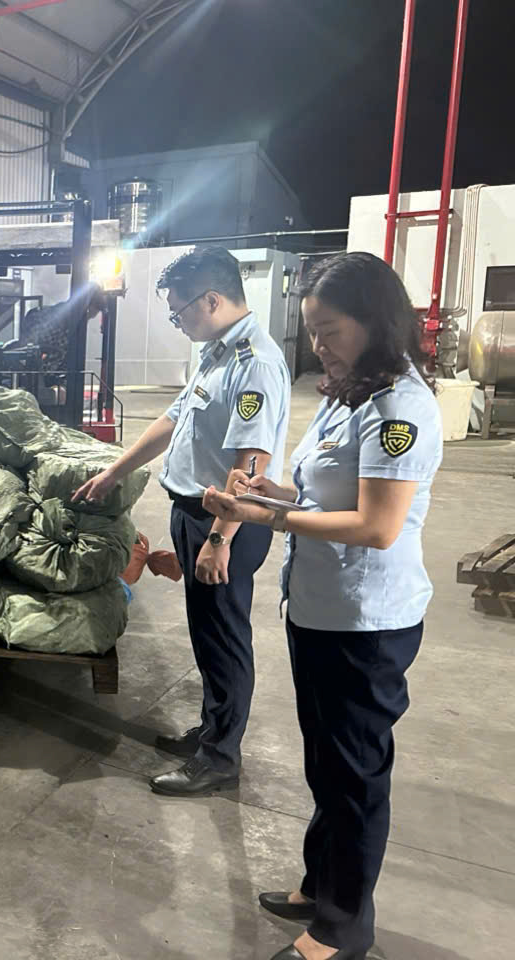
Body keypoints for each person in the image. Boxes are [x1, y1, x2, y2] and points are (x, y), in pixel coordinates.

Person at [202, 252, 442, 960]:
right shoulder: (348, 394)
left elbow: (376, 525)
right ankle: (321, 885)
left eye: (330, 331)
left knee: (354, 773)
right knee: (325, 763)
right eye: (311, 330)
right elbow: (319, 491)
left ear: (375, 323)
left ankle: (343, 929)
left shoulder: (398, 408)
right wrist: (268, 493)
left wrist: (266, 518)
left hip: (367, 622)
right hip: (318, 608)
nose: (318, 345)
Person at [72, 246, 291, 797]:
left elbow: (251, 463)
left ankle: (220, 759)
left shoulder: (254, 363)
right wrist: (113, 471)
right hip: (196, 514)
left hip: (225, 525)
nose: (178, 322)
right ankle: (212, 731)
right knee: (207, 634)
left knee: (225, 638)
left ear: (211, 300)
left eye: (179, 312)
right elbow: (174, 420)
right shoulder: (216, 353)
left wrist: (219, 538)